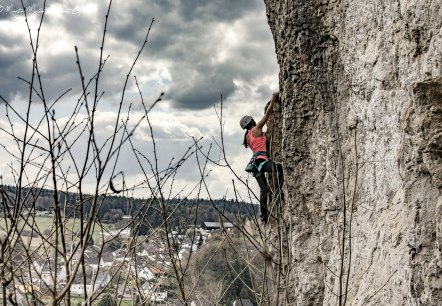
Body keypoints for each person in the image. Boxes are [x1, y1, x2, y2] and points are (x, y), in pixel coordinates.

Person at [240, 92, 283, 223]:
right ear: (252, 121)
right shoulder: (257, 129)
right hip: (261, 161)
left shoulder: (247, 137)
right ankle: (279, 193)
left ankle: (263, 215)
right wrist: (273, 98)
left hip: (254, 165)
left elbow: (258, 141)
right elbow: (268, 114)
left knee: (263, 190)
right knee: (280, 168)